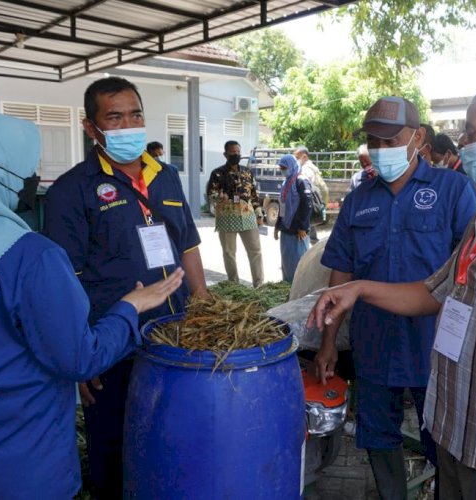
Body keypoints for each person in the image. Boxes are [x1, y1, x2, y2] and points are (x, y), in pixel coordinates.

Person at [309, 82, 476, 499]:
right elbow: (435, 291)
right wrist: (357, 290)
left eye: (472, 132)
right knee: (383, 438)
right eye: (373, 140)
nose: (464, 142)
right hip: (450, 409)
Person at [0, 108, 185, 499]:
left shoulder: (166, 177)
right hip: (20, 469)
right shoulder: (30, 256)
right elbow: (80, 358)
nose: (31, 178)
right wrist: (130, 307)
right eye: (26, 165)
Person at [43, 76, 209, 499]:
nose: (128, 124)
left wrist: (204, 305)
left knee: (173, 439)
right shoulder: (71, 191)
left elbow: (187, 244)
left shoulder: (166, 176)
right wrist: (81, 354)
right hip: (113, 344)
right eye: (114, 117)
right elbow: (64, 280)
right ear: (91, 128)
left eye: (135, 114)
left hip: (175, 336)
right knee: (115, 450)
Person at [315, 96, 476, 500]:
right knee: (378, 437)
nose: (381, 150)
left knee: (442, 443)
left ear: (418, 137)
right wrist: (329, 342)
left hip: (437, 349)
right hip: (375, 346)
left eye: (391, 141)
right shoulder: (358, 199)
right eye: (374, 141)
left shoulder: (453, 190)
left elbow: (471, 272)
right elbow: (341, 275)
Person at [207, 140, 265, 287]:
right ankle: (234, 284)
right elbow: (210, 194)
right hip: (227, 218)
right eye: (233, 152)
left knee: (255, 251)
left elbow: (254, 196)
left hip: (247, 217)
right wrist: (218, 197)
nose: (236, 155)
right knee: (229, 253)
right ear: (225, 154)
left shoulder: (247, 172)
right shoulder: (217, 173)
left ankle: (259, 284)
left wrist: (259, 214)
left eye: (238, 152)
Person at [274, 154, 313, 283]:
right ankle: (287, 288)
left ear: (291, 165)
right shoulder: (286, 182)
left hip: (297, 231)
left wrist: (303, 227)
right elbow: (283, 206)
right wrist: (277, 226)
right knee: (286, 262)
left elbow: (307, 205)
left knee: (298, 264)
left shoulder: (301, 180)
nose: (282, 170)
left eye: (284, 167)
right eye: (281, 168)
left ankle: (298, 290)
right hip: (286, 229)